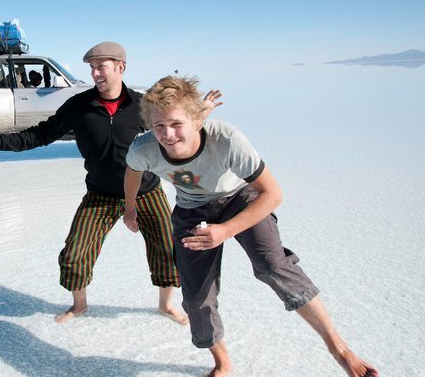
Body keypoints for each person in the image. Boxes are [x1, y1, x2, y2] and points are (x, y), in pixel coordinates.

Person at [123, 75, 378, 377]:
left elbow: (273, 194)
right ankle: (222, 362)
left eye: (177, 124)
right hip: (192, 211)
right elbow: (132, 172)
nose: (167, 134)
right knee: (196, 296)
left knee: (273, 266)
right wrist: (130, 207)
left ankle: (339, 348)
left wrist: (226, 230)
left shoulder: (227, 140)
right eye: (158, 126)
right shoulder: (143, 148)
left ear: (196, 120)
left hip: (239, 198)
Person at [0, 42, 222, 324]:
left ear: (120, 67)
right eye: (92, 67)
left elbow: (175, 126)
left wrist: (200, 114)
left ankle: (165, 305)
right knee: (75, 253)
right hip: (100, 194)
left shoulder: (141, 106)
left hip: (146, 192)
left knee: (167, 250)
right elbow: (41, 134)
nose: (95, 73)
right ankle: (79, 306)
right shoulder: (79, 105)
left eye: (101, 66)